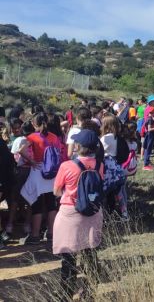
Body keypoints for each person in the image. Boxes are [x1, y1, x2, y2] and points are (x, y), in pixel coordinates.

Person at [52, 129, 103, 300]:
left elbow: (57, 190)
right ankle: (88, 293)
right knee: (90, 255)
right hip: (93, 213)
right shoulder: (99, 165)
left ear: (78, 146)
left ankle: (66, 294)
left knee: (68, 259)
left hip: (70, 214)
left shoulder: (67, 166)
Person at [21, 112, 62, 245]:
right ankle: (51, 234)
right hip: (51, 173)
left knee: (36, 205)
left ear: (34, 124)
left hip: (38, 171)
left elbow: (21, 151)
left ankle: (34, 236)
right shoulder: (54, 137)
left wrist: (31, 161)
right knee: (51, 204)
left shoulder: (32, 137)